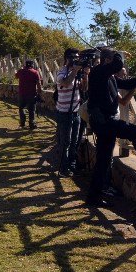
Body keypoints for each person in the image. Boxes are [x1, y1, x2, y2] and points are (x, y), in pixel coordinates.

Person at [85, 48, 136, 207]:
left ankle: (92, 198)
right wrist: (118, 52)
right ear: (107, 60)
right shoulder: (97, 72)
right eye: (112, 59)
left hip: (105, 122)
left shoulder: (110, 77)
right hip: (103, 122)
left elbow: (127, 83)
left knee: (103, 159)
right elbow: (117, 64)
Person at [55, 48, 89, 178]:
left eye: (77, 57)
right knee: (66, 142)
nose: (75, 59)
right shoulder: (61, 72)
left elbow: (84, 89)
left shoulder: (77, 73)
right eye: (73, 57)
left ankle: (72, 165)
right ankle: (64, 168)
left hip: (76, 111)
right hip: (64, 113)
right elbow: (65, 82)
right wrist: (74, 70)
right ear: (66, 58)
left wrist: (85, 75)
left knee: (75, 141)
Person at [15, 60, 42, 129]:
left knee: (21, 108)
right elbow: (38, 83)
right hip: (31, 93)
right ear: (32, 65)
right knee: (32, 109)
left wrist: (22, 69)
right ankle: (32, 124)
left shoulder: (21, 71)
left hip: (22, 93)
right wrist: (39, 92)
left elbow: (16, 76)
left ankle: (22, 122)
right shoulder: (35, 72)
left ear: (25, 65)